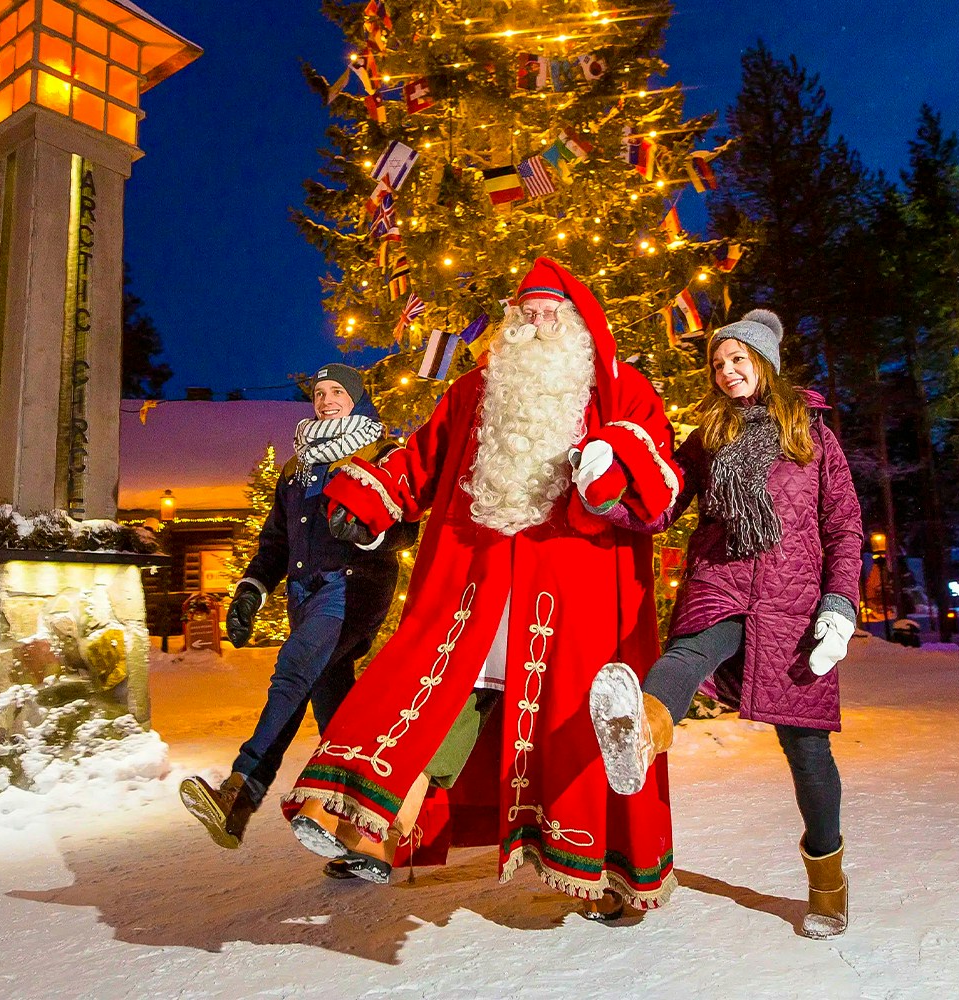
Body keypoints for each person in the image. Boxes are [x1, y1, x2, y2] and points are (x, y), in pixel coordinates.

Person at [282, 258, 683, 919]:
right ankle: (370, 829)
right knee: (440, 695)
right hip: (480, 582)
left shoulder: (618, 389)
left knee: (576, 728)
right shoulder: (474, 389)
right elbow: (421, 458)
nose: (536, 320)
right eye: (525, 311)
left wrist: (614, 469)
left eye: (550, 309)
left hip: (572, 598)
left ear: (579, 321)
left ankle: (609, 873)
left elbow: (657, 478)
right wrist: (372, 497)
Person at [587, 309, 863, 938]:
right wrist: (608, 497)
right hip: (722, 575)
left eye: (738, 359)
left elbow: (843, 525)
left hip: (795, 598)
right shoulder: (709, 434)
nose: (727, 371)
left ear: (763, 362)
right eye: (718, 363)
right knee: (686, 652)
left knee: (807, 748)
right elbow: (663, 500)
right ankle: (638, 732)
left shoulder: (812, 435)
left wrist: (839, 605)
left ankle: (828, 882)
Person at [179, 363, 414, 849]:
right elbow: (276, 544)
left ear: (356, 396)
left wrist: (369, 535)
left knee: (292, 673)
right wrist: (250, 590)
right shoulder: (297, 467)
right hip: (305, 595)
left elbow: (408, 526)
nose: (326, 400)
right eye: (319, 393)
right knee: (335, 708)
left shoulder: (383, 454)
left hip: (353, 588)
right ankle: (367, 833)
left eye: (337, 392)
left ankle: (239, 792)